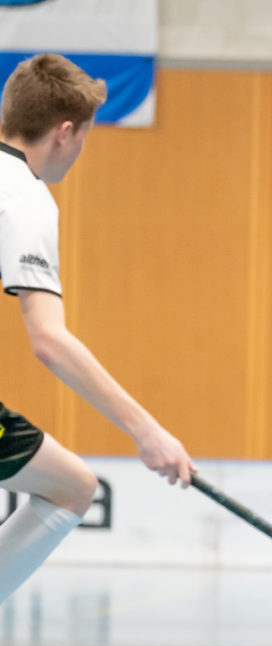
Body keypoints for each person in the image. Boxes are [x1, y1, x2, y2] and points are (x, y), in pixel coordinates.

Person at [0, 54, 193, 605]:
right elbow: (49, 340)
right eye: (85, 134)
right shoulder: (24, 197)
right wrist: (147, 431)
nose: (82, 148)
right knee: (73, 488)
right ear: (64, 132)